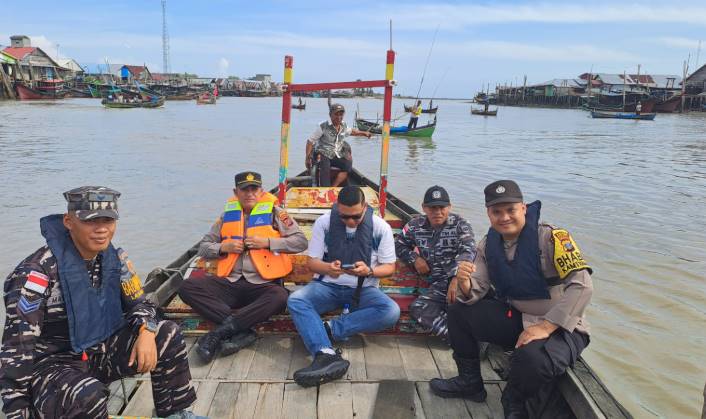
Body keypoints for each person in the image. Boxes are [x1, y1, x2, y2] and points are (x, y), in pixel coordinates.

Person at [0, 187, 203, 419]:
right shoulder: (35, 275)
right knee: (88, 394)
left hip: (98, 352)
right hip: (52, 366)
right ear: (69, 221)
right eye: (91, 221)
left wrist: (147, 330)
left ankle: (174, 413)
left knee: (167, 333)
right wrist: (18, 412)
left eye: (108, 220)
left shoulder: (114, 259)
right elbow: (17, 351)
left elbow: (142, 304)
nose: (102, 229)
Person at [429, 180, 593, 419]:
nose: (504, 217)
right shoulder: (487, 245)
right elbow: (477, 288)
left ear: (523, 208)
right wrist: (465, 284)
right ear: (489, 214)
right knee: (457, 310)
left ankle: (513, 398)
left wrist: (547, 326)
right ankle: (470, 382)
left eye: (510, 210)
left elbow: (583, 287)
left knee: (531, 360)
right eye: (497, 212)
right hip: (518, 316)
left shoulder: (552, 238)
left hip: (563, 325)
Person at [179, 172, 308, 363]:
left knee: (280, 297)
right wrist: (223, 247)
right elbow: (203, 247)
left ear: (261, 191)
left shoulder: (276, 213)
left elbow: (300, 242)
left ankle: (217, 334)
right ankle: (243, 331)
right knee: (186, 287)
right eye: (244, 189)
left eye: (254, 189)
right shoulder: (226, 217)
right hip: (230, 283)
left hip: (261, 285)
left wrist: (268, 242)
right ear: (236, 192)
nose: (249, 193)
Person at [287, 186, 400, 387]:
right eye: (344, 216)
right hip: (328, 287)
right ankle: (325, 353)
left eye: (356, 217)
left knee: (391, 311)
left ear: (365, 207)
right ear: (337, 208)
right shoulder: (324, 223)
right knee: (296, 300)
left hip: (364, 289)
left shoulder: (380, 227)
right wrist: (329, 268)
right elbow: (313, 263)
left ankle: (326, 330)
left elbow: (389, 267)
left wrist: (370, 272)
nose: (350, 221)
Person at [395, 186, 476, 339]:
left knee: (466, 308)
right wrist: (415, 258)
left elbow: (469, 250)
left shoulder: (461, 224)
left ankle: (471, 335)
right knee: (418, 308)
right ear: (424, 208)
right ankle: (462, 340)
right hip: (438, 284)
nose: (437, 212)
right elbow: (398, 244)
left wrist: (456, 277)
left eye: (442, 207)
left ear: (449, 207)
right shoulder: (415, 225)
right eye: (432, 208)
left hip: (462, 281)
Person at [306, 103, 372, 187]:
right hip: (323, 153)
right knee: (324, 166)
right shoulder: (322, 126)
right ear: (330, 115)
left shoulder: (343, 125)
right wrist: (307, 157)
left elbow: (352, 131)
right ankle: (325, 188)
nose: (339, 117)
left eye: (341, 114)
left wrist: (364, 133)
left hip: (337, 154)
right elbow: (310, 141)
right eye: (336, 114)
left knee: (348, 164)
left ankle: (334, 187)